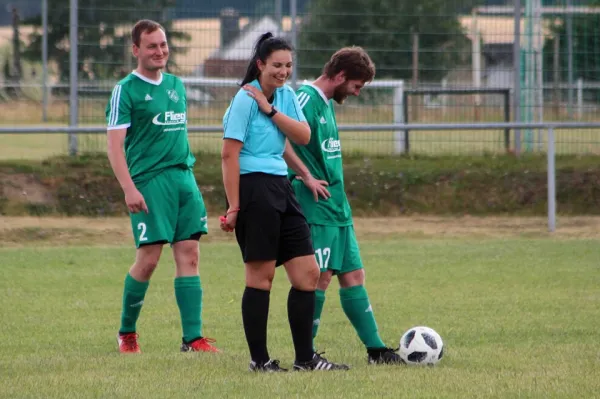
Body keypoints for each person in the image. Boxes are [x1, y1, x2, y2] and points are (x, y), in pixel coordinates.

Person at [220, 32, 349, 372]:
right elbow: (228, 156)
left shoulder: (286, 97)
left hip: (282, 187)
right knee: (260, 278)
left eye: (288, 65)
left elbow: (302, 136)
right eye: (276, 65)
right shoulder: (245, 99)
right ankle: (259, 361)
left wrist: (272, 109)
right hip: (253, 191)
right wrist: (234, 206)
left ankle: (306, 359)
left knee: (308, 274)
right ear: (260, 64)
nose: (283, 71)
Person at [105, 19, 219, 354]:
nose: (160, 51)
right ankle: (127, 332)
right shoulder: (125, 90)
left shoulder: (176, 85)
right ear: (136, 50)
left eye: (164, 44)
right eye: (152, 46)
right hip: (149, 183)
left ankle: (193, 338)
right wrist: (129, 188)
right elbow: (114, 146)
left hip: (183, 178)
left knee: (190, 254)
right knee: (149, 259)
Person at [284, 47, 404, 364]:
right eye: (356, 86)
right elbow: (278, 142)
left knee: (353, 275)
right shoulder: (305, 100)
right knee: (320, 277)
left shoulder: (324, 104)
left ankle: (376, 350)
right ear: (339, 76)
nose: (356, 93)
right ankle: (305, 355)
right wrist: (305, 175)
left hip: (339, 207)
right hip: (316, 207)